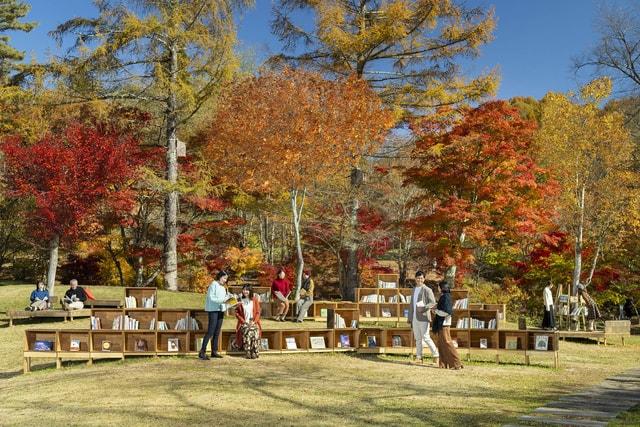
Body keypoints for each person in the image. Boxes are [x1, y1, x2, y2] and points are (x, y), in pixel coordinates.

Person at [407, 271, 439, 364]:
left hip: (424, 317)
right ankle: (419, 357)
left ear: (424, 279)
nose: (419, 280)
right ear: (415, 279)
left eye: (421, 278)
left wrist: (424, 308)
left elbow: (432, 302)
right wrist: (409, 317)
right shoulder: (413, 290)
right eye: (418, 278)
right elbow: (411, 305)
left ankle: (436, 355)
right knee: (417, 338)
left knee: (426, 337)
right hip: (414, 318)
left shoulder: (427, 289)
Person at [199, 270, 231, 360]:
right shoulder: (213, 284)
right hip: (213, 310)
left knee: (217, 332)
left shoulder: (223, 287)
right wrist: (223, 300)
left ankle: (214, 351)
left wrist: (230, 301)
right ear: (220, 276)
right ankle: (202, 352)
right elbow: (211, 297)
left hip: (221, 310)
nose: (225, 280)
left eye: (226, 279)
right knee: (210, 331)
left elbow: (224, 299)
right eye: (224, 278)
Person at [432, 280, 463, 370]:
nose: (437, 288)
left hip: (444, 324)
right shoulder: (444, 296)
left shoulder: (446, 297)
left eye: (439, 286)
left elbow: (447, 312)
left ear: (442, 288)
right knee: (441, 344)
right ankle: (443, 364)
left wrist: (436, 311)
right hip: (442, 324)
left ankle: (457, 364)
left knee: (447, 343)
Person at [234, 284, 262, 359]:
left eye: (247, 290)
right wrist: (243, 322)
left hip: (254, 322)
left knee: (255, 330)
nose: (245, 291)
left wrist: (254, 322)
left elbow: (258, 312)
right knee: (248, 331)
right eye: (244, 289)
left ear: (250, 291)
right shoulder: (240, 300)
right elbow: (237, 313)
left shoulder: (254, 300)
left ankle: (254, 351)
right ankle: (249, 351)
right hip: (244, 323)